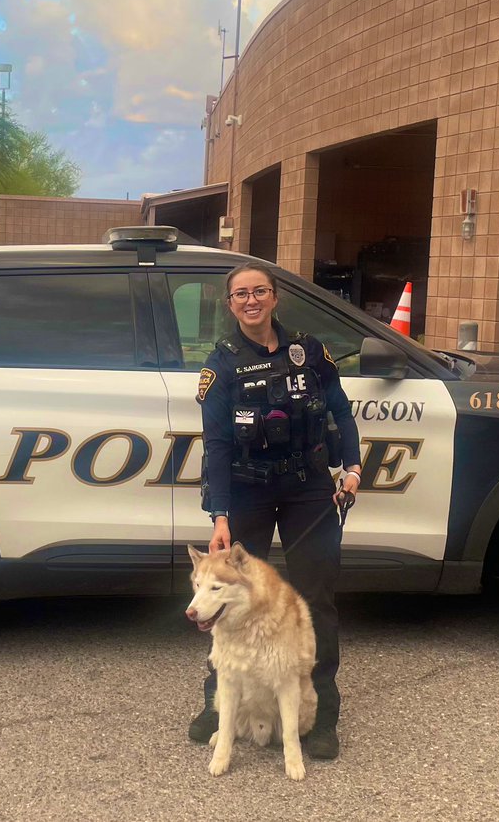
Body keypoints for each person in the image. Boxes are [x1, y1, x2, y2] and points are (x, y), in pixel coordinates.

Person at [189, 261, 362, 760]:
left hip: (309, 487)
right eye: (240, 294)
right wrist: (219, 516)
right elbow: (217, 445)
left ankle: (322, 714)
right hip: (247, 491)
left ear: (274, 297)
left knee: (316, 600)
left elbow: (340, 409)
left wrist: (351, 467)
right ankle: (216, 702)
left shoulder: (307, 351)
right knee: (228, 606)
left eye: (259, 291)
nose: (250, 301)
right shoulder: (220, 366)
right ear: (230, 304)